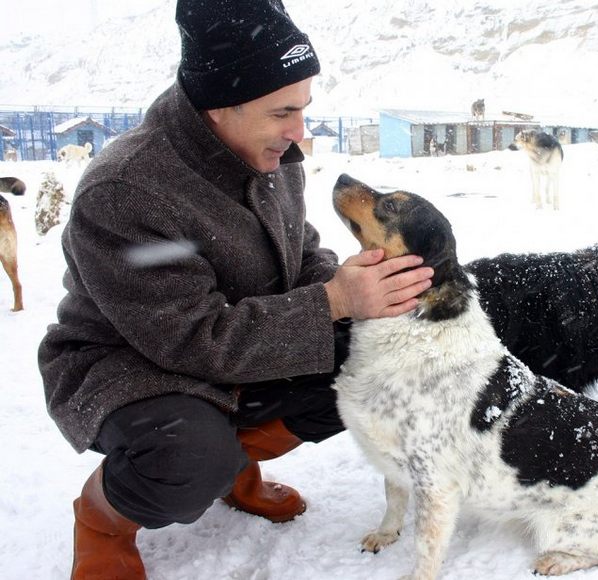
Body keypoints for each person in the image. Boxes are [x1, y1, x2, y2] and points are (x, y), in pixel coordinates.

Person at [37, 1, 434, 578]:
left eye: (304, 109)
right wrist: (336, 301)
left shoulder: (273, 154)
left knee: (375, 363)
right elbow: (188, 338)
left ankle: (232, 469)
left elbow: (300, 258)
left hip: (240, 340)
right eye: (283, 112)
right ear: (220, 108)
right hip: (131, 364)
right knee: (186, 456)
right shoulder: (125, 189)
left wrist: (359, 287)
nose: (299, 133)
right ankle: (104, 516)